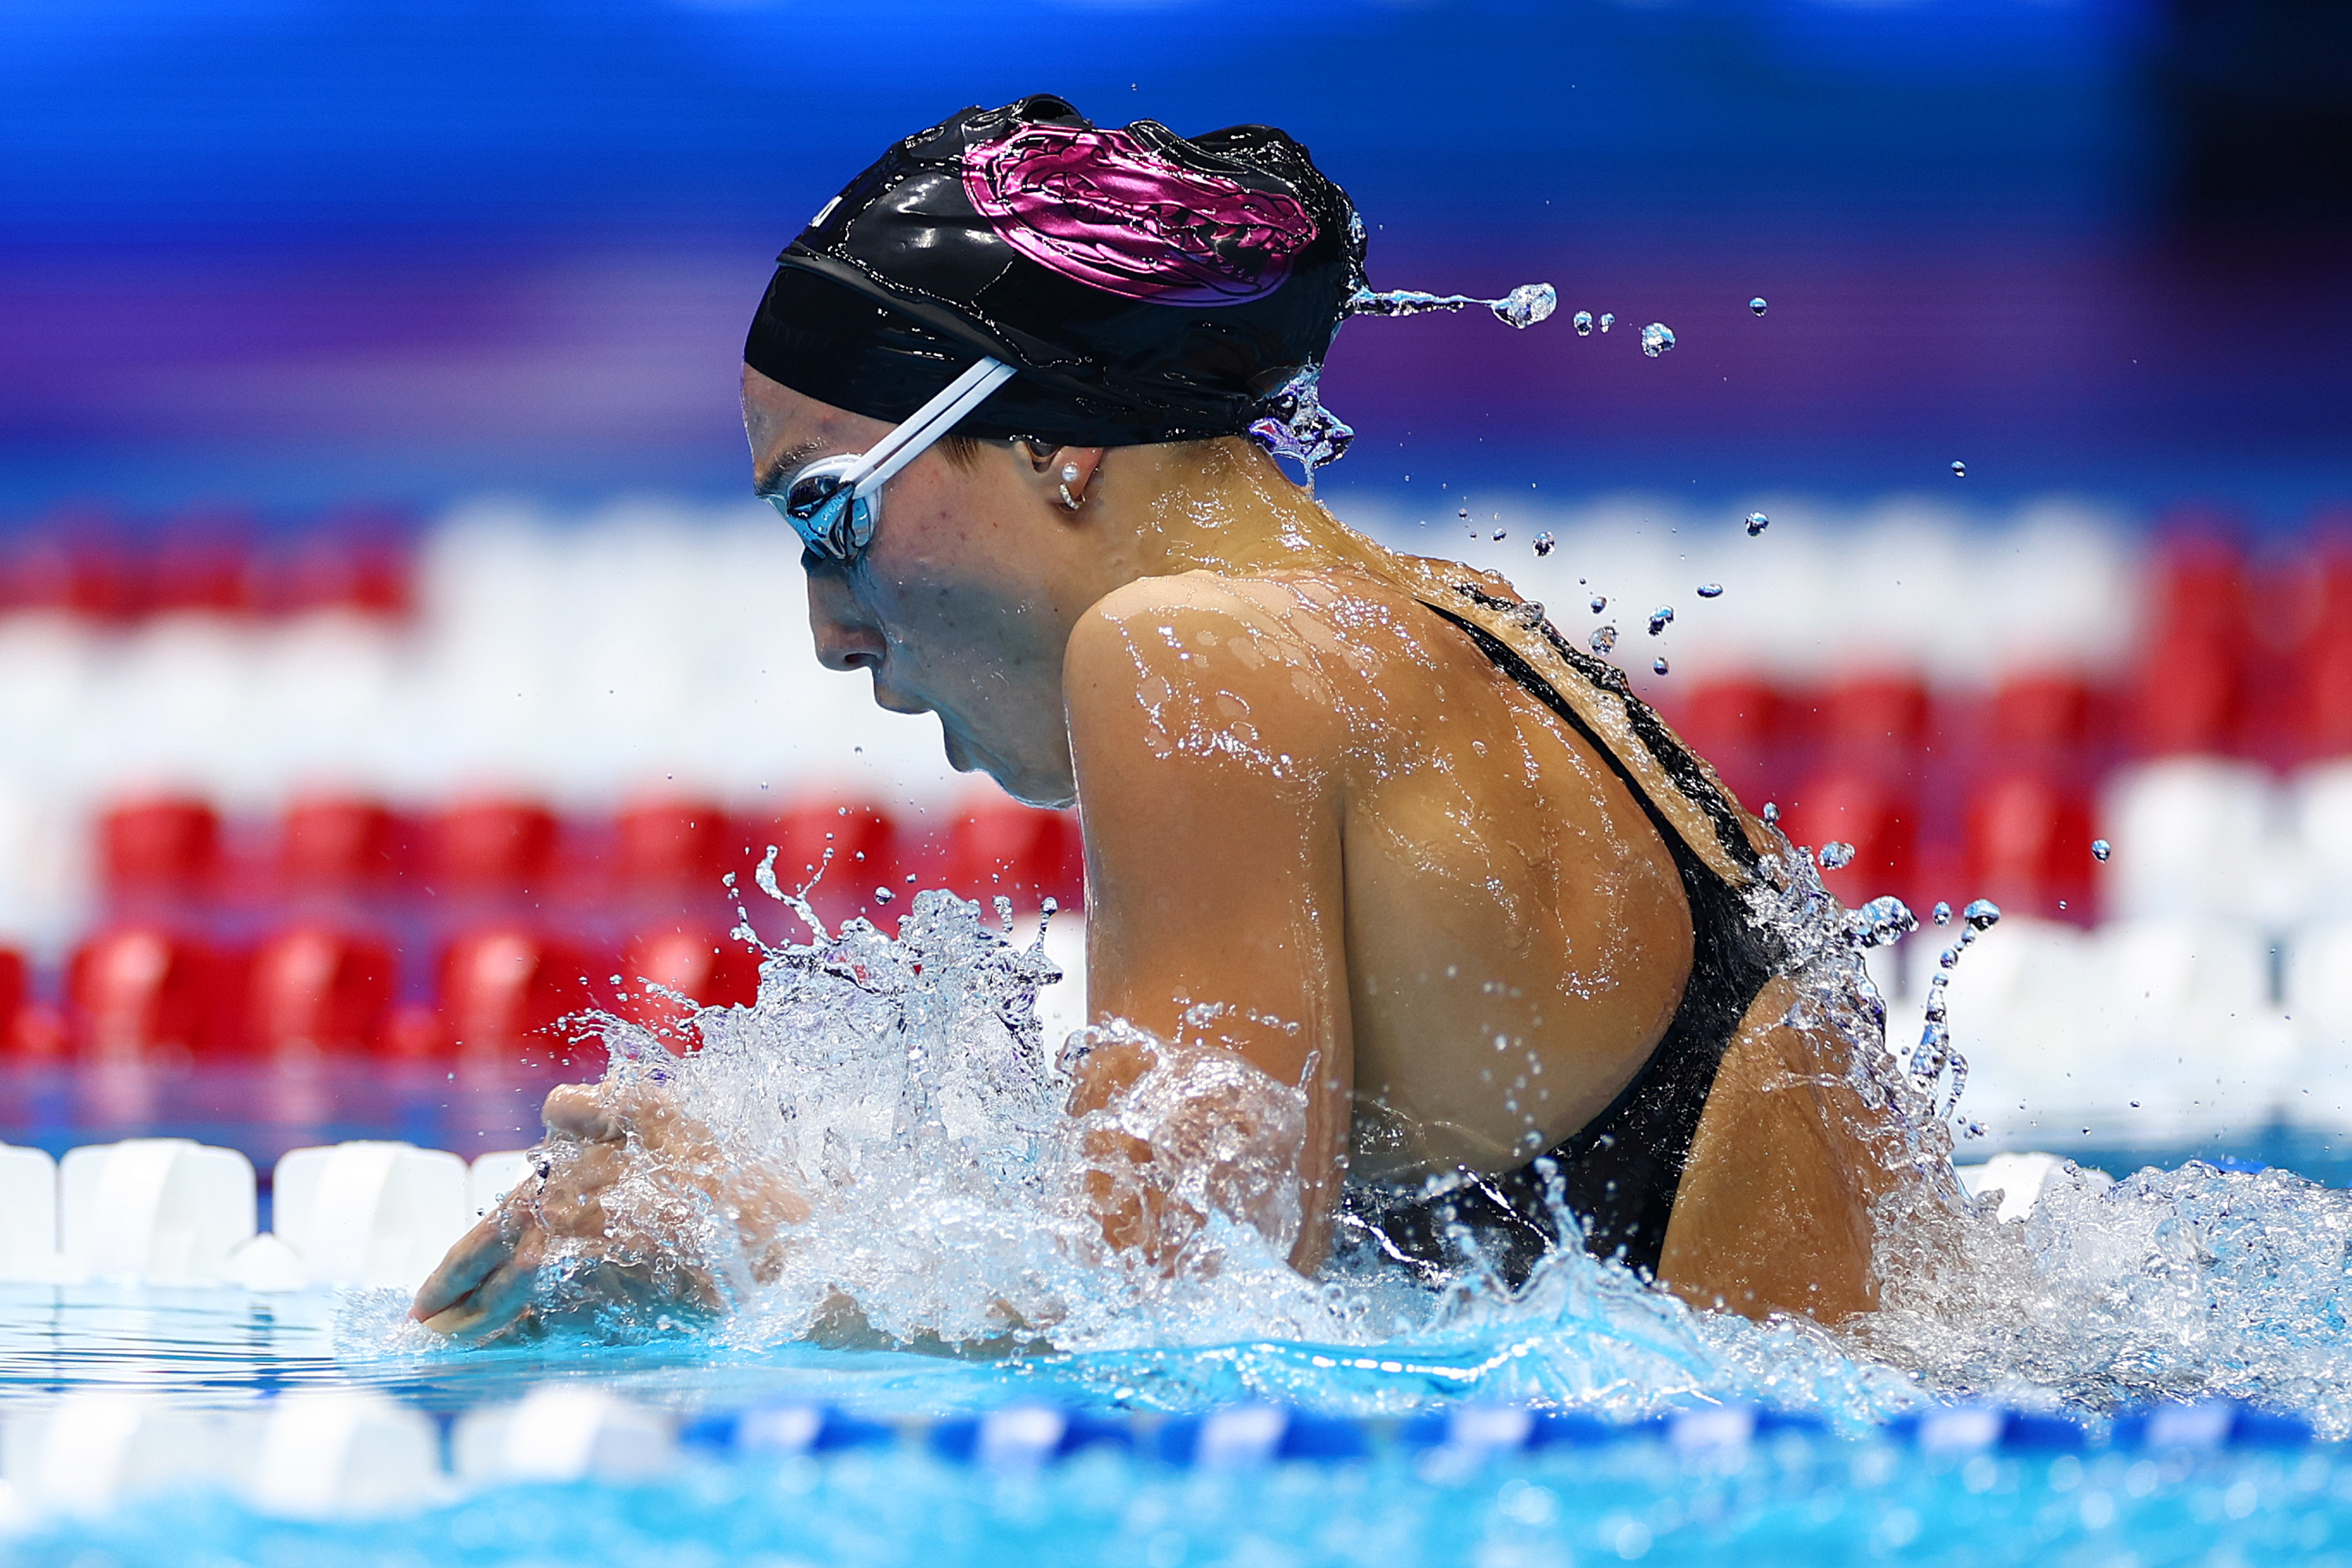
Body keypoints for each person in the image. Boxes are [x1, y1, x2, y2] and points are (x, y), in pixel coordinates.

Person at [412, 96, 1913, 1342]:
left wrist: (742, 1236)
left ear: (1057, 441)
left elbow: (1180, 1311)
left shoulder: (1185, 650)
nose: (830, 627)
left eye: (832, 514)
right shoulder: (1453, 624)